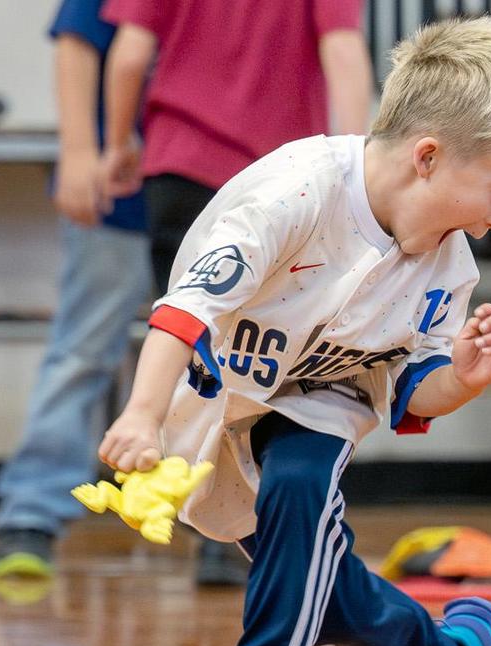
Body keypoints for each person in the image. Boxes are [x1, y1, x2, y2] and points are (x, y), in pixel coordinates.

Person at [93, 18, 491, 646]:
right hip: (218, 396)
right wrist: (143, 414)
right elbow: (182, 313)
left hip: (323, 400)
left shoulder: (449, 266)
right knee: (318, 585)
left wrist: (462, 380)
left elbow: (413, 390)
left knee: (299, 491)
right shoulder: (290, 196)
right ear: (428, 156)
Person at [98, 0, 375, 585]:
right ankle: (241, 533)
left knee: (194, 350)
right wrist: (357, 175)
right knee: (274, 361)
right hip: (286, 187)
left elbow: (128, 56)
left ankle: (181, 494)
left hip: (181, 167)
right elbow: (344, 55)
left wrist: (118, 142)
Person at [0, 0, 152, 580]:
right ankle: (30, 511)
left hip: (221, 190)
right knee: (82, 352)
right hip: (120, 192)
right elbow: (77, 43)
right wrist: (80, 150)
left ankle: (233, 530)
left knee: (231, 363)